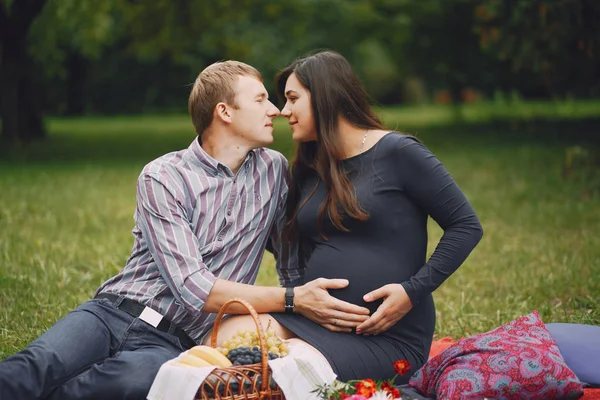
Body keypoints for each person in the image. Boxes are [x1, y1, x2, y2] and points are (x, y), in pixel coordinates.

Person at [0, 60, 371, 400]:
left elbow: (291, 259)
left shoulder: (273, 171)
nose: (275, 110)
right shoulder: (163, 176)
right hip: (112, 313)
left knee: (127, 385)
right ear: (224, 111)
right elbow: (194, 288)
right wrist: (293, 298)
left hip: (172, 342)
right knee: (36, 365)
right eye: (260, 100)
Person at [211, 51, 483, 385]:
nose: (284, 111)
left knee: (279, 368)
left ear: (325, 97)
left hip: (385, 335)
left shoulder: (398, 153)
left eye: (293, 98)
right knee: (222, 339)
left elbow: (466, 226)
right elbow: (291, 243)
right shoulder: (309, 167)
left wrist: (411, 292)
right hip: (313, 319)